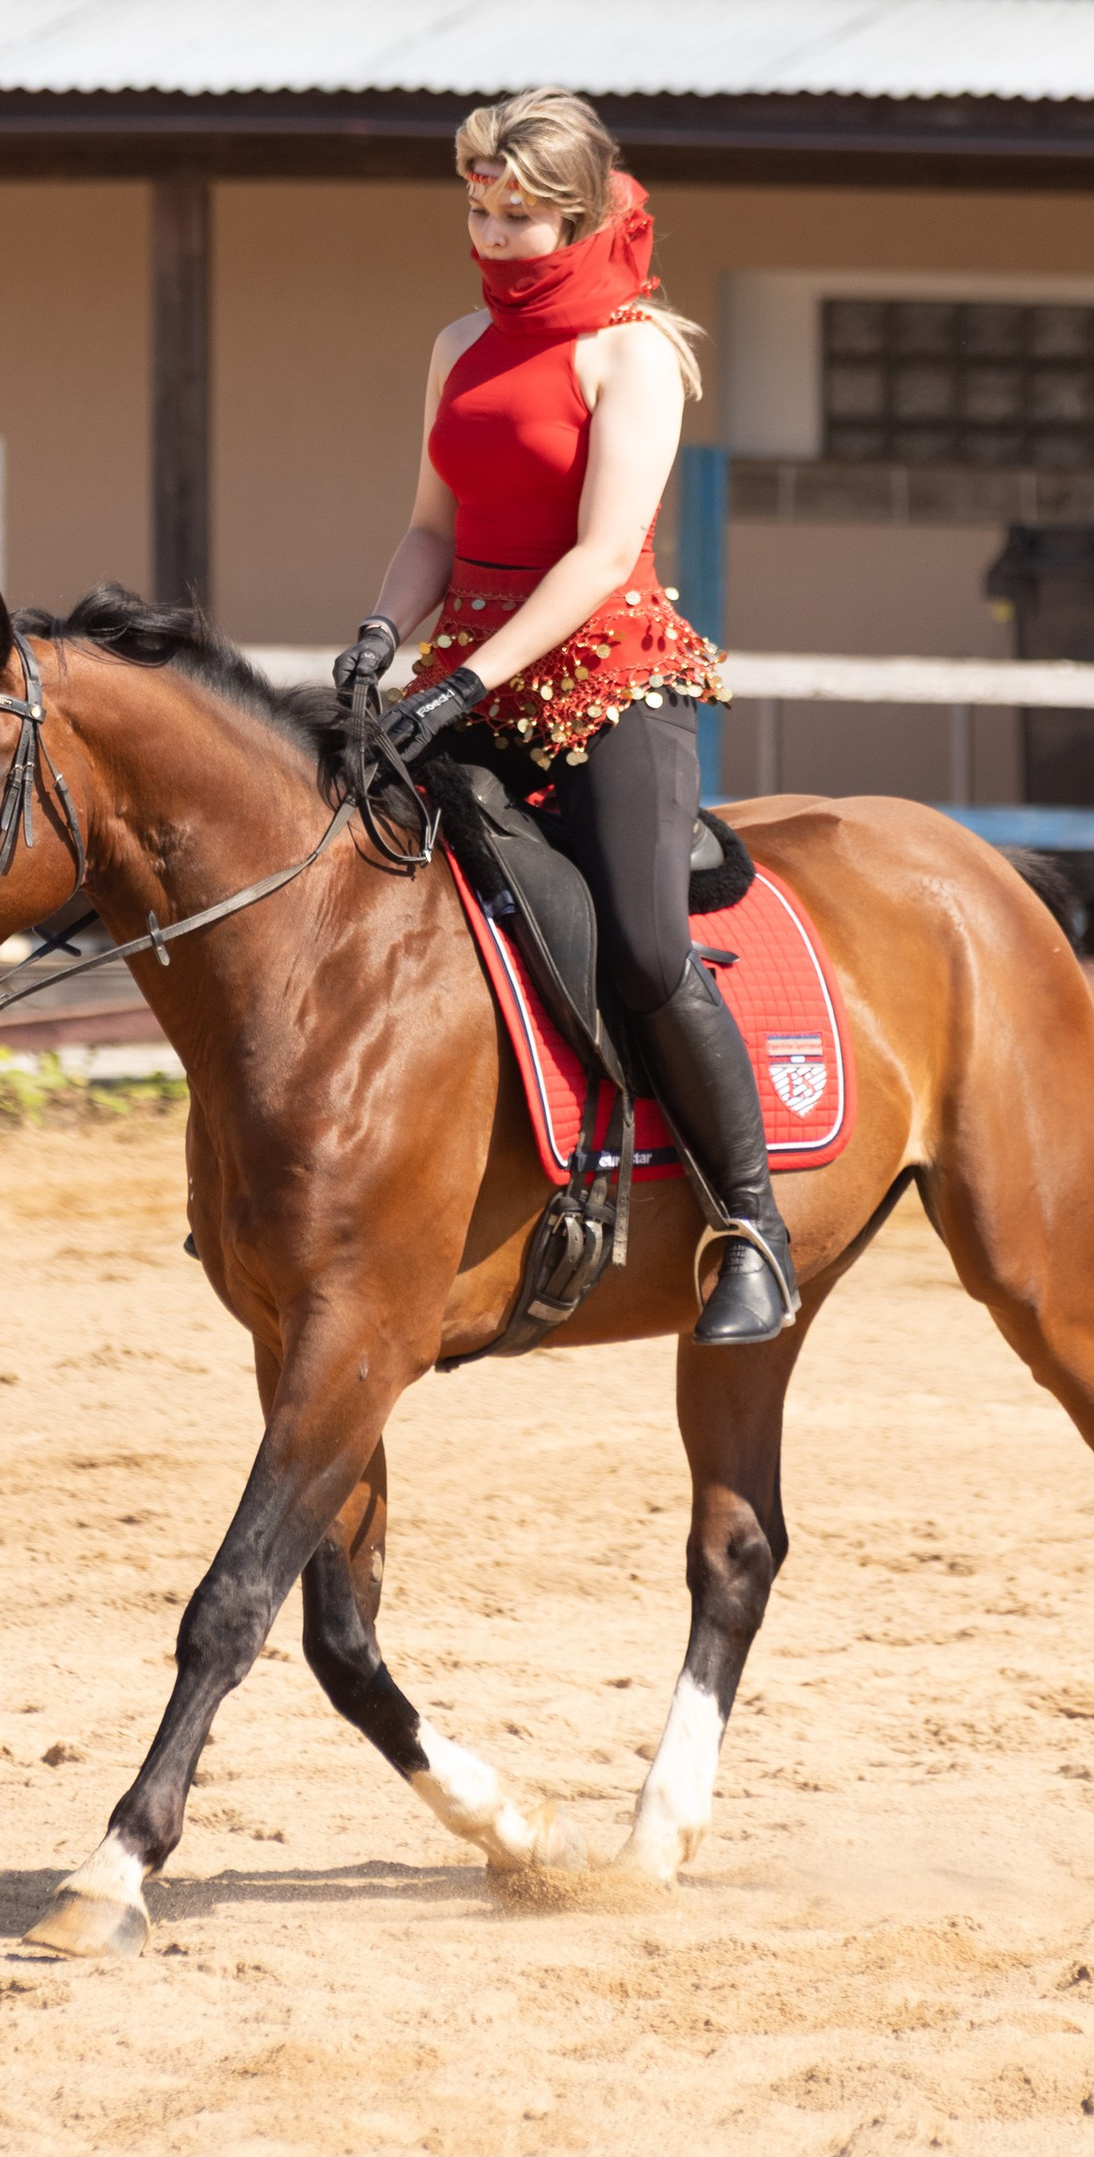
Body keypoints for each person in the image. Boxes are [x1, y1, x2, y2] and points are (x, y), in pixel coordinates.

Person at [333, 87, 799, 1347]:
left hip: (604, 686)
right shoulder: (455, 346)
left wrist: (465, 684)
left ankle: (752, 1226)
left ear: (582, 212)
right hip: (460, 681)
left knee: (643, 950)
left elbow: (600, 558)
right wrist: (383, 638)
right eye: (476, 204)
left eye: (520, 214)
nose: (489, 231)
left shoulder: (633, 351)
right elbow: (432, 532)